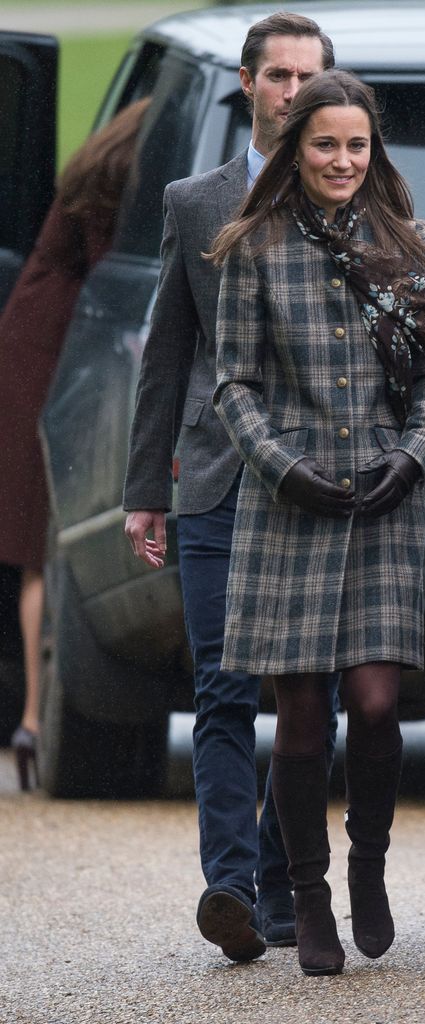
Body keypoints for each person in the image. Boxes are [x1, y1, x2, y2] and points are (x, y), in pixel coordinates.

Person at [209, 69, 425, 976]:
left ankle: (367, 869)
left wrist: (416, 453)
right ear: (296, 147)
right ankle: (309, 896)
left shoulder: (405, 244)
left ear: (375, 149)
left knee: (372, 705)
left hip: (382, 503)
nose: (342, 160)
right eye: (325, 143)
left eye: (356, 145)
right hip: (290, 509)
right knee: (300, 724)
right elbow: (233, 383)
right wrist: (282, 466)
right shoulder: (251, 246)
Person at [123, 13, 338, 961]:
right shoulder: (195, 202)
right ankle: (232, 888)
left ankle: (293, 887)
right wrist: (146, 489)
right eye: (280, 77)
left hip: (321, 481)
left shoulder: (350, 188)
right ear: (248, 84)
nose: (295, 93)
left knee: (308, 693)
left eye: (310, 77)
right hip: (216, 475)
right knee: (222, 685)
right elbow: (166, 353)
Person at [0, 97, 151, 792]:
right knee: (45, 544)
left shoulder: (98, 160)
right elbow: (107, 277)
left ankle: (33, 716)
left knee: (39, 548)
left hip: (31, 336)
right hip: (52, 349)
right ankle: (34, 710)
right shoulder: (126, 171)